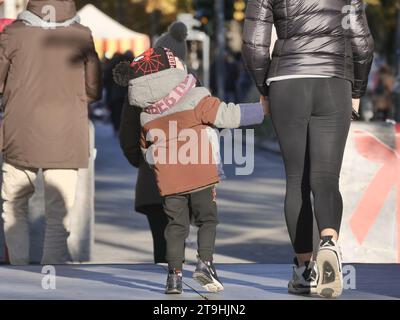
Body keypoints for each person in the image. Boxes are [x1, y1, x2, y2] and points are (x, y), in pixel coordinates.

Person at [243, 0, 374, 298]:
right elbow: (362, 42)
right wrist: (356, 90)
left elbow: (254, 45)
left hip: (287, 80)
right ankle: (329, 243)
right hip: (334, 79)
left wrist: (263, 90)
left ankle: (304, 272)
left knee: (296, 181)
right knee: (326, 178)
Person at [114, 46, 268, 294]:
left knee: (175, 227)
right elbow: (228, 115)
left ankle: (173, 277)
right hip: (201, 176)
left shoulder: (147, 117)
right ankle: (205, 264)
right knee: (207, 220)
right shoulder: (196, 98)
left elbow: (145, 149)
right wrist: (261, 110)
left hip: (170, 182)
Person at [0, 0, 102, 265]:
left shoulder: (13, 33)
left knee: (14, 205)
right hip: (67, 136)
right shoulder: (81, 35)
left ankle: (20, 273)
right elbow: (94, 88)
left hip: (19, 132)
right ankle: (52, 278)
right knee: (59, 214)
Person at [119, 21, 191, 264]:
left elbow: (127, 134)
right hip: (185, 179)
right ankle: (177, 277)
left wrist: (140, 161)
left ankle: (166, 279)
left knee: (159, 243)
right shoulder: (193, 86)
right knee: (177, 236)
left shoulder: (138, 88)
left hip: (151, 177)